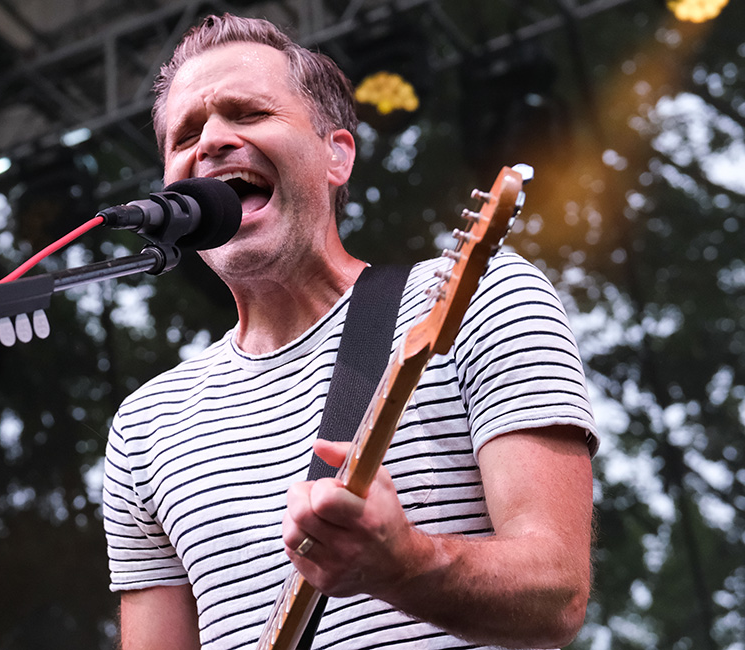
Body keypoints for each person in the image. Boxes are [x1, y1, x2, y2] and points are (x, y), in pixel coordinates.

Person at [103, 13, 599, 650]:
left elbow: (556, 593)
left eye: (249, 113)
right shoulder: (146, 425)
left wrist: (405, 565)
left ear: (337, 155)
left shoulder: (475, 295)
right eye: (186, 134)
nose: (214, 141)